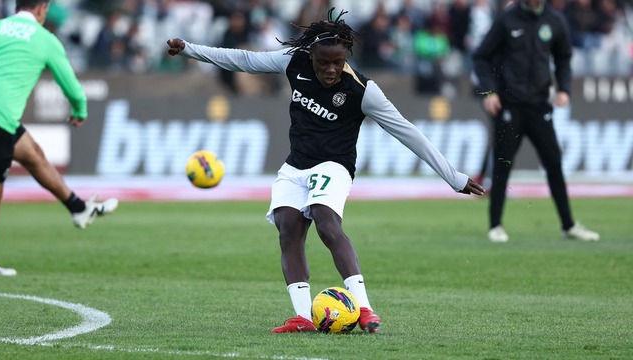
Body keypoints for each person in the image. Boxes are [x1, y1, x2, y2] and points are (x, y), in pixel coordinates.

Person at [167, 8, 485, 334]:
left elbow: (407, 132)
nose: (331, 69)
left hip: (335, 164)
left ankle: (364, 308)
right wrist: (190, 49)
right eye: (324, 63)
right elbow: (244, 61)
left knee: (325, 220)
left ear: (346, 55)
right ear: (311, 55)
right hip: (295, 165)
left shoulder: (363, 90)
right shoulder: (294, 61)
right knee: (287, 228)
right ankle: (304, 317)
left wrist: (454, 177)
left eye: (338, 62)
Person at [0, 0, 119, 276]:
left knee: (32, 154)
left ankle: (79, 208)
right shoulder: (45, 40)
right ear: (42, 8)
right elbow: (72, 87)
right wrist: (80, 110)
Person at [472, 0, 599, 243]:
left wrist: (564, 89)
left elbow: (563, 58)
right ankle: (495, 225)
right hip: (509, 105)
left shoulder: (555, 21)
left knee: (554, 164)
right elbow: (481, 57)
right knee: (502, 165)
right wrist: (489, 91)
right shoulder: (506, 20)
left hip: (540, 106)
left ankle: (568, 225)